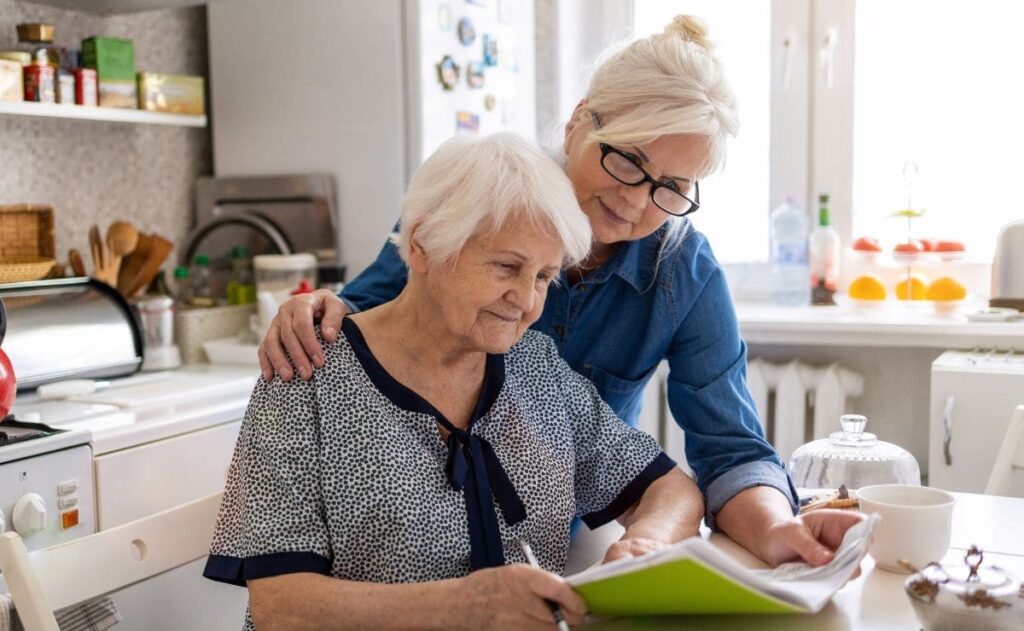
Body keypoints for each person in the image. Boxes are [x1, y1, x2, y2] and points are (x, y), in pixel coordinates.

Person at [258, 15, 864, 568]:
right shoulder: (478, 201)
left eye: (671, 186)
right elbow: (364, 319)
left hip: (558, 540)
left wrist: (779, 528)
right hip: (412, 542)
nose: (634, 200)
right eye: (628, 160)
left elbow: (729, 450)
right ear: (580, 121)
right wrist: (314, 309)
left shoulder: (685, 273)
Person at [204, 132, 705, 630]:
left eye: (543, 277)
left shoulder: (537, 367)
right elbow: (281, 607)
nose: (527, 301)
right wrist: (463, 608)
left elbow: (670, 489)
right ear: (422, 245)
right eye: (508, 266)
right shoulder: (308, 372)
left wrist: (647, 546)